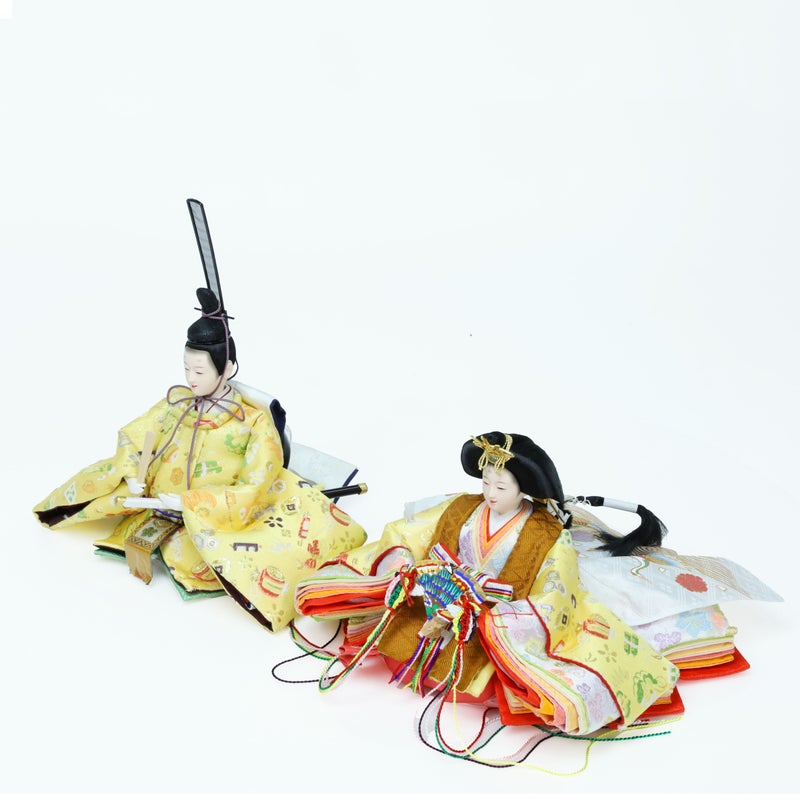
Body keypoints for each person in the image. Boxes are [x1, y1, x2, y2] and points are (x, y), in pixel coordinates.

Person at [294, 431, 781, 759]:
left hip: (494, 614)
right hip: (440, 601)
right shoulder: (462, 508)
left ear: (524, 488)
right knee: (395, 620)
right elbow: (407, 533)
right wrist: (407, 573)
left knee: (555, 643)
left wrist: (504, 617)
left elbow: (556, 590)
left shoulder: (547, 532)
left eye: (501, 485)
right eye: (485, 482)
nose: (489, 492)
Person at [33, 286, 367, 632]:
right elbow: (136, 434)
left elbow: (255, 484)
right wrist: (134, 472)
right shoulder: (176, 403)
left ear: (228, 368)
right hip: (155, 501)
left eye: (199, 372)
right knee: (110, 496)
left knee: (249, 551)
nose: (190, 380)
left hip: (215, 512)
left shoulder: (252, 422)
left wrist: (192, 503)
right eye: (186, 369)